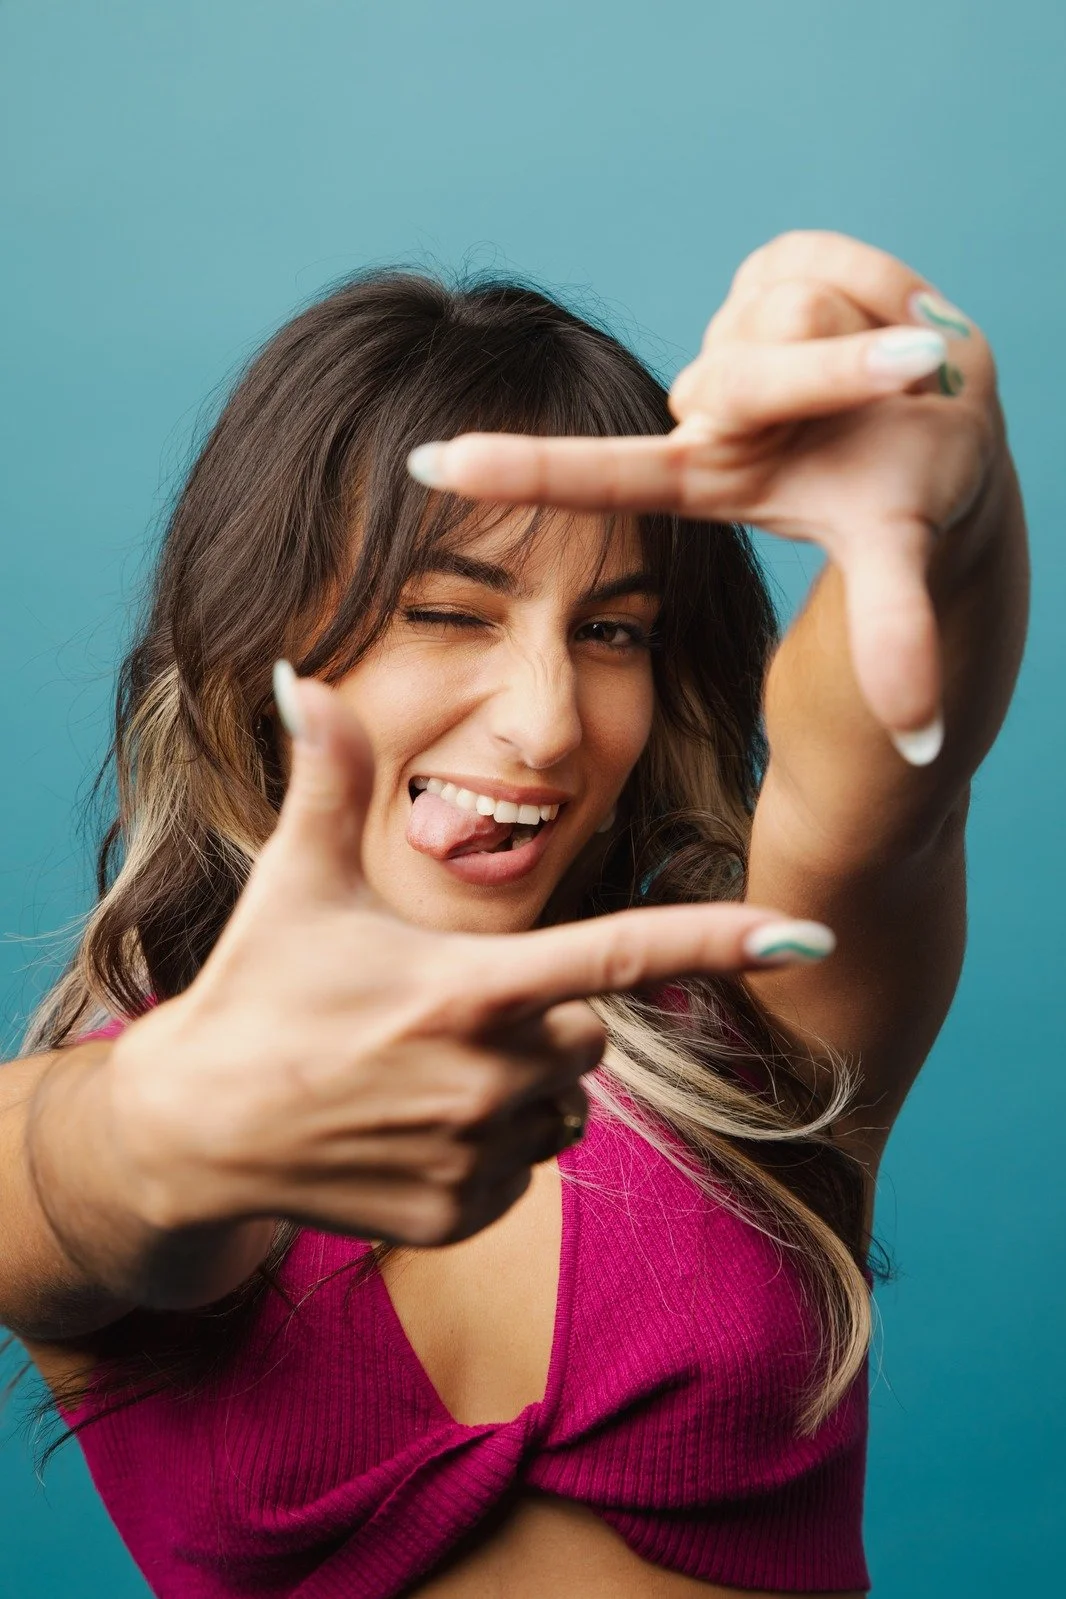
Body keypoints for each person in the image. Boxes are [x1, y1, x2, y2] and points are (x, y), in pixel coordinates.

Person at [0, 230, 1027, 1598]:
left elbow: (887, 780)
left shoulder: (759, 1031)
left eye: (612, 631)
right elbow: (63, 1177)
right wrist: (158, 1129)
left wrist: (949, 526)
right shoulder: (128, 1093)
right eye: (443, 609)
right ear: (253, 649)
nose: (546, 724)